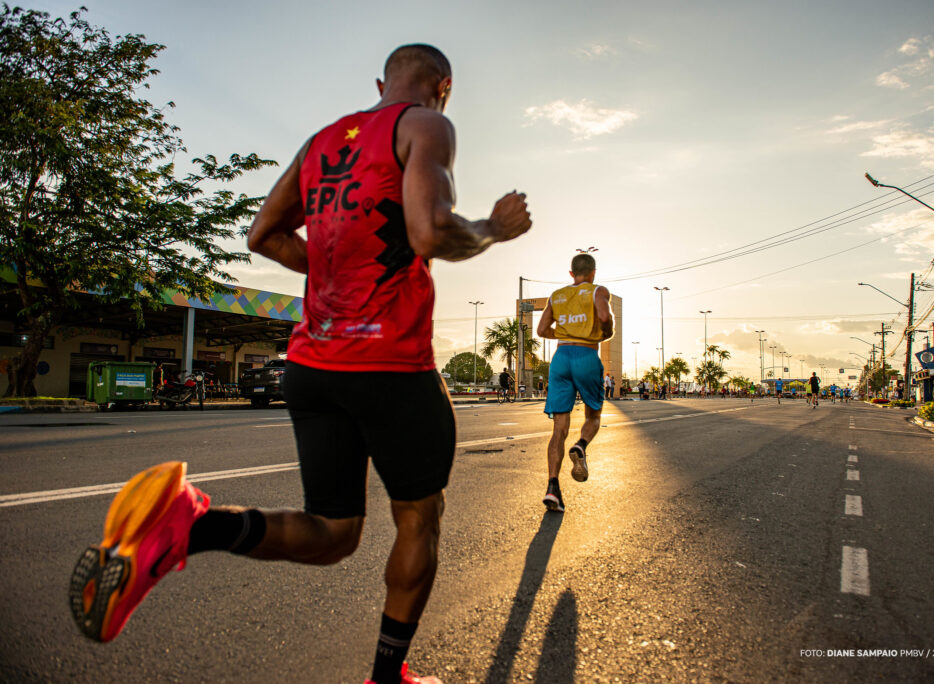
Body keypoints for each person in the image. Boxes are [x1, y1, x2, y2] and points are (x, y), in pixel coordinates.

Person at [69, 44, 532, 684]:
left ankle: (191, 525)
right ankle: (388, 676)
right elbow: (430, 233)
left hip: (312, 365)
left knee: (334, 532)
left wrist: (340, 268)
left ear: (379, 83)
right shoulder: (426, 124)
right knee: (419, 519)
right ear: (442, 87)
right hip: (390, 367)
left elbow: (262, 236)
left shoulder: (321, 143)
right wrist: (492, 229)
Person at [535, 253, 614, 513]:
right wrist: (605, 331)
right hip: (586, 355)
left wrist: (565, 332)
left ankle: (552, 488)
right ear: (593, 272)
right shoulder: (598, 291)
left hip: (560, 358)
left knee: (559, 428)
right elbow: (604, 318)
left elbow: (542, 330)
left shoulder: (557, 295)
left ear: (571, 273)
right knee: (593, 415)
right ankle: (580, 446)